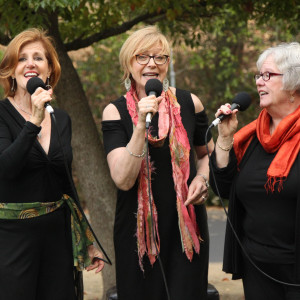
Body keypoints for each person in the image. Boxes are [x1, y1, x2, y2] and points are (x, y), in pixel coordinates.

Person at [101, 26, 214, 300]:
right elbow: (123, 179)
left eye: (159, 57)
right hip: (136, 235)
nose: (152, 64)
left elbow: (205, 155)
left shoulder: (190, 103)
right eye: (142, 57)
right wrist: (140, 126)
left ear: (167, 64)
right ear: (128, 63)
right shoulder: (114, 111)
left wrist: (202, 178)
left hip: (186, 230)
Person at [0, 28, 104, 300]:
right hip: (11, 238)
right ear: (11, 70)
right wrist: (33, 121)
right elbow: (6, 169)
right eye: (22, 59)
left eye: (38, 58)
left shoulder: (61, 119)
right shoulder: (0, 114)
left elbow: (66, 183)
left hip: (57, 236)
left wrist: (89, 240)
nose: (30, 63)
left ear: (49, 71)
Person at [210, 42, 300, 300]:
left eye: (268, 75)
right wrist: (225, 140)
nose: (259, 82)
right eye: (258, 75)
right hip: (257, 268)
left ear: (294, 84)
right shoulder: (251, 137)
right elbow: (223, 190)